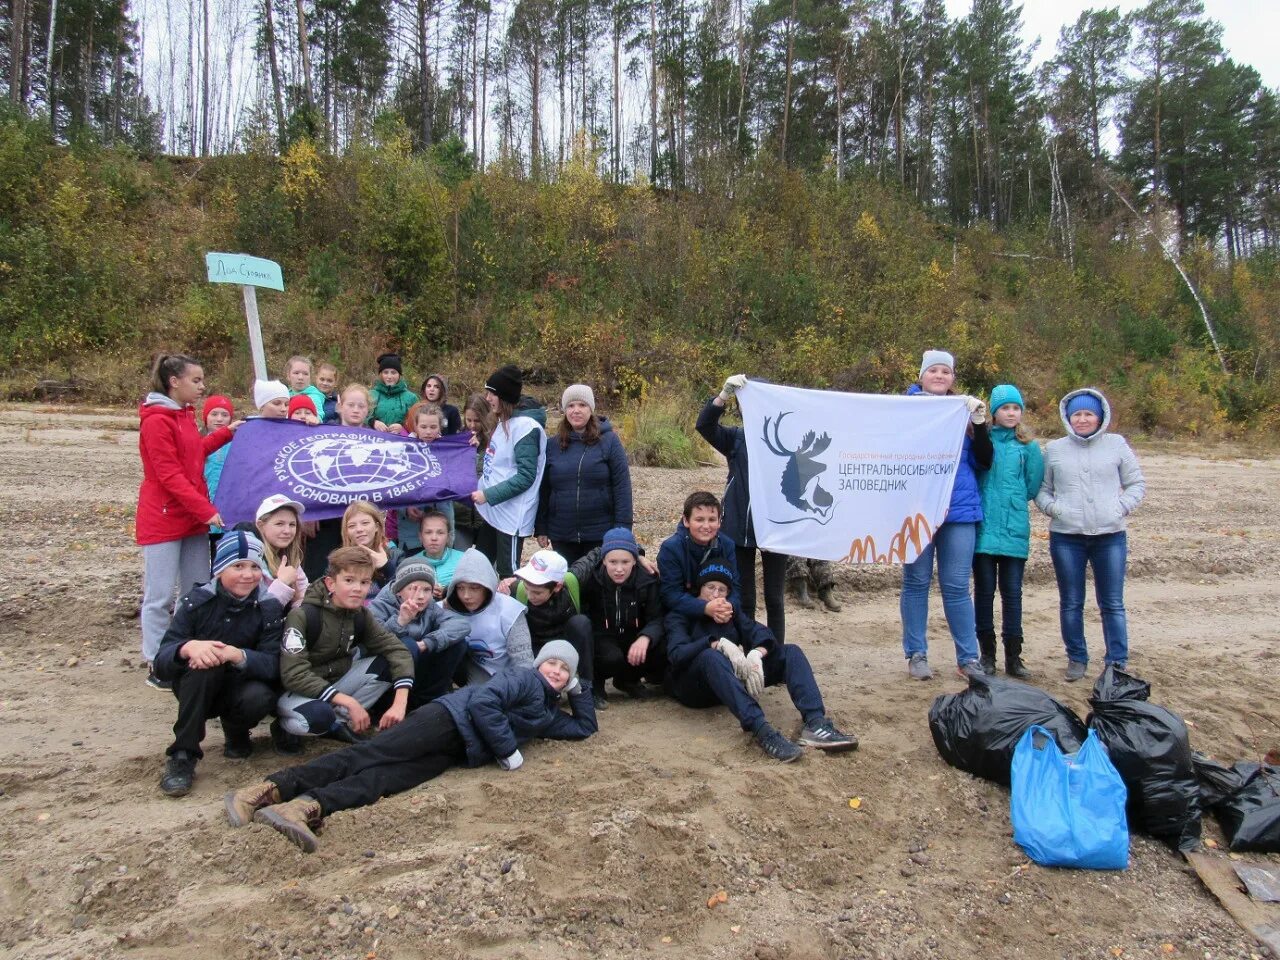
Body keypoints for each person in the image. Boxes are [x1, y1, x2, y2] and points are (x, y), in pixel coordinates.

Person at [224, 640, 596, 853]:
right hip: (446, 719)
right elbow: (485, 704)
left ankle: (307, 806)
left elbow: (584, 727)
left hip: (457, 750)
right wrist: (507, 750)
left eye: (565, 670)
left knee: (384, 781)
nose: (556, 671)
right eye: (551, 662)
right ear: (538, 663)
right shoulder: (523, 678)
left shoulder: (548, 711)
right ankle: (268, 789)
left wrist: (578, 689)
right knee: (369, 753)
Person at [664, 563, 858, 762]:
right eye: (710, 588)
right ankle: (761, 729)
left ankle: (816, 722)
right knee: (711, 656)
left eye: (722, 590)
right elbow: (676, 654)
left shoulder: (731, 612)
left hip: (727, 681)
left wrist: (756, 653)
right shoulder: (681, 614)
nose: (715, 594)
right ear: (700, 589)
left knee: (791, 652)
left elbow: (761, 633)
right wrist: (714, 644)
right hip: (692, 686)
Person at [153, 531, 285, 796]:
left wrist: (238, 655)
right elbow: (161, 664)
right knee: (205, 664)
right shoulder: (196, 602)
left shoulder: (269, 606)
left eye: (255, 567)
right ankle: (183, 755)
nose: (248, 575)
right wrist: (188, 648)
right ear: (220, 569)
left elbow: (273, 665)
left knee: (261, 696)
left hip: (242, 687)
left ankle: (236, 732)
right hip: (197, 686)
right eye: (238, 566)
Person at [137, 353, 239, 689]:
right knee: (160, 595)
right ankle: (157, 660)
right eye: (195, 381)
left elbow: (194, 454)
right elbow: (169, 475)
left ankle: (190, 652)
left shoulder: (183, 415)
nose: (201, 387)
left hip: (192, 518)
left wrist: (227, 434)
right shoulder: (156, 420)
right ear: (174, 382)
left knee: (195, 590)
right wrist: (205, 509)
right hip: (165, 518)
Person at [1035, 388, 1145, 681]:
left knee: (1112, 602)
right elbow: (1042, 490)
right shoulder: (1055, 449)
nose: (1082, 420)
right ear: (1067, 418)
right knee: (1071, 601)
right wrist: (1055, 509)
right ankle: (1076, 658)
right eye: (1077, 415)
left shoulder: (1116, 445)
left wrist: (1119, 508)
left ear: (1100, 417)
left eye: (1088, 414)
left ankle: (1116, 661)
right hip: (1066, 537)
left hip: (1110, 536)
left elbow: (1136, 484)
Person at [900, 350, 992, 681]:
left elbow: (985, 460)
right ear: (922, 375)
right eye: (933, 370)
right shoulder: (904, 410)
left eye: (946, 371)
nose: (939, 376)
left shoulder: (964, 412)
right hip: (917, 510)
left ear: (953, 378)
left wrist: (979, 424)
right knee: (916, 582)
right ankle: (916, 654)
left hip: (960, 510)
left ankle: (968, 659)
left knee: (955, 585)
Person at [276, 547, 416, 740]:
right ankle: (284, 728)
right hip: (299, 691)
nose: (358, 588)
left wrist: (400, 703)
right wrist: (349, 702)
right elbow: (294, 675)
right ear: (331, 583)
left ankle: (339, 723)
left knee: (390, 661)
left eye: (365, 582)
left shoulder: (361, 614)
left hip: (337, 683)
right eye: (349, 580)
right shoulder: (303, 615)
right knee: (318, 716)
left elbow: (397, 650)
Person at [696, 374, 788, 641]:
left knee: (774, 597)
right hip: (740, 526)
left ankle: (775, 652)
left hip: (776, 526)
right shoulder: (736, 438)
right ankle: (749, 646)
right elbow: (704, 425)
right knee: (746, 597)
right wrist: (723, 395)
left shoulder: (786, 441)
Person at [974, 384, 1044, 678]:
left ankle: (1014, 657)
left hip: (1015, 529)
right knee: (984, 592)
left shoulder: (1029, 447)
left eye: (1016, 408)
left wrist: (1013, 502)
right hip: (985, 531)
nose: (1011, 413)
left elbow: (1033, 484)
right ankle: (987, 655)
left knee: (1012, 594)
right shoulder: (983, 440)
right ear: (994, 412)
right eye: (1005, 408)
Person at [535, 384, 633, 567]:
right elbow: (544, 488)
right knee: (567, 586)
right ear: (564, 410)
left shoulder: (610, 441)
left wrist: (623, 530)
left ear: (591, 409)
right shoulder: (552, 445)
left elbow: (622, 487)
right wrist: (541, 526)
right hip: (561, 533)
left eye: (582, 405)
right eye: (571, 406)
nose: (576, 410)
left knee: (595, 587)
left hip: (600, 532)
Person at [570, 527, 665, 706]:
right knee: (610, 656)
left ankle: (628, 680)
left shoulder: (648, 580)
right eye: (613, 562)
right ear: (604, 560)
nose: (619, 569)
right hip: (603, 636)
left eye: (625, 562)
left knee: (659, 645)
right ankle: (596, 684)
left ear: (635, 561)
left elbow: (657, 617)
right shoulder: (591, 580)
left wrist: (646, 637)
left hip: (634, 634)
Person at [472, 365, 547, 577]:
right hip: (495, 512)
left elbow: (526, 476)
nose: (487, 398)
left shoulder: (525, 428)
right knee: (481, 564)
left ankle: (519, 609)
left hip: (511, 516)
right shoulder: (505, 422)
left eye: (491, 393)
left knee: (509, 573)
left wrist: (488, 495)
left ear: (503, 396)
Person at [367, 557, 471, 708]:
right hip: (383, 677)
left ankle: (427, 700)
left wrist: (427, 643)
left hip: (415, 670)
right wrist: (400, 621)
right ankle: (388, 706)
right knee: (408, 645)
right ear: (399, 589)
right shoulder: (380, 605)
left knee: (458, 643)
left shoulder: (430, 607)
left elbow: (461, 624)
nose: (421, 596)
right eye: (413, 588)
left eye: (427, 589)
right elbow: (372, 642)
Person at [502, 549, 597, 702]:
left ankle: (586, 687)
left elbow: (595, 555)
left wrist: (637, 555)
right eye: (527, 589)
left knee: (581, 623)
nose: (530, 596)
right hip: (535, 647)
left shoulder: (572, 581)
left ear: (557, 587)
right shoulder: (515, 590)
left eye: (537, 592)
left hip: (566, 644)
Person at [301, 384, 373, 579]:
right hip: (325, 519)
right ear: (340, 406)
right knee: (318, 575)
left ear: (368, 409)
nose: (356, 410)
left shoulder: (377, 439)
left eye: (361, 406)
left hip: (359, 521)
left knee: (356, 574)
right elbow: (306, 473)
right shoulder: (321, 433)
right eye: (351, 405)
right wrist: (308, 513)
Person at [444, 547, 534, 686]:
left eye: (474, 588)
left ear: (487, 587)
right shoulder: (446, 608)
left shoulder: (510, 610)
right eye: (460, 588)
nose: (466, 596)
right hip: (468, 672)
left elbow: (523, 663)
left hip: (506, 678)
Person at [657, 490, 741, 623]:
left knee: (749, 626)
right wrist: (705, 607)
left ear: (719, 522)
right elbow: (670, 594)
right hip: (682, 613)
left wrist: (730, 606)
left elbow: (735, 586)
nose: (706, 526)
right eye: (699, 519)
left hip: (720, 610)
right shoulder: (670, 548)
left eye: (712, 520)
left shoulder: (727, 545)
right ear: (686, 520)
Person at [396, 403, 455, 554]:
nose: (428, 432)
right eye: (423, 427)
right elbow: (395, 488)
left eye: (433, 427)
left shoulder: (449, 450)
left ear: (440, 427)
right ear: (415, 426)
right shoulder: (403, 451)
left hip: (441, 527)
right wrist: (406, 508)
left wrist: (471, 443)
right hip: (411, 532)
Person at [452, 394, 496, 555]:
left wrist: (477, 453)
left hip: (487, 518)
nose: (472, 425)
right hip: (461, 517)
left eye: (477, 421)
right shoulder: (457, 440)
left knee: (488, 566)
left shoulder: (496, 442)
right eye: (468, 420)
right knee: (459, 564)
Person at [254, 494, 309, 611]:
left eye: (292, 524)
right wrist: (283, 583)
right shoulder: (251, 559)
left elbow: (304, 596)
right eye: (279, 524)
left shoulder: (290, 558)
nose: (287, 531)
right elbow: (259, 612)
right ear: (260, 526)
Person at [201, 394, 235, 566]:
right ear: (205, 417)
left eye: (224, 415)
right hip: (202, 507)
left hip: (226, 510)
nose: (219, 419)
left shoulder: (237, 444)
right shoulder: (197, 442)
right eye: (214, 414)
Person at [341, 501, 402, 590]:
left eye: (365, 523)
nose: (359, 529)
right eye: (352, 526)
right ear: (346, 531)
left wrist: (386, 567)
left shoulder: (396, 556)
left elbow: (406, 593)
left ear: (377, 526)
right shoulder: (339, 561)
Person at [369, 353, 417, 433]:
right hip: (375, 440)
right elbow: (359, 416)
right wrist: (373, 422)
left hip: (401, 441)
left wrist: (403, 427)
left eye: (393, 372)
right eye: (386, 372)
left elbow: (419, 420)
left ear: (399, 375)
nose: (389, 376)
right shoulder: (370, 395)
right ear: (381, 374)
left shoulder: (411, 398)